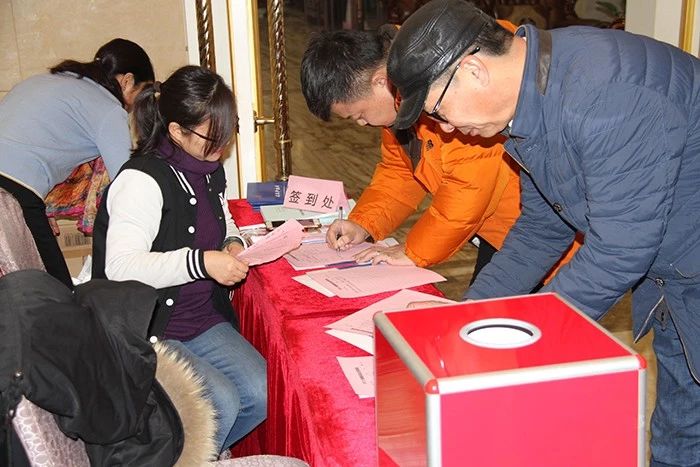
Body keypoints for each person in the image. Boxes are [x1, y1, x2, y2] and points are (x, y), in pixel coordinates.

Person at [387, 1, 700, 465]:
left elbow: (619, 250)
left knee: (684, 432)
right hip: (677, 276)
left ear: (472, 70)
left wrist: (526, 334)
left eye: (438, 111)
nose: (447, 128)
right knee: (681, 431)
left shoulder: (606, 95)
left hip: (685, 265)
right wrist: (469, 320)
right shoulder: (533, 96)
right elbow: (540, 228)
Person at [301, 26, 578, 282]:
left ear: (379, 81)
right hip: (508, 238)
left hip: (555, 244)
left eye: (359, 114)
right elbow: (400, 173)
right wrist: (363, 223)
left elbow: (468, 190)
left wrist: (412, 251)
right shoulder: (400, 96)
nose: (362, 124)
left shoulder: (449, 82)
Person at [91, 65, 267, 456]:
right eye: (213, 136)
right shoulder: (142, 181)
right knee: (219, 402)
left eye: (229, 131)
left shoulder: (207, 169)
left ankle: (200, 454)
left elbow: (221, 216)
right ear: (176, 130)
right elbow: (120, 267)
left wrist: (232, 241)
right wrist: (201, 262)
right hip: (149, 327)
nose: (222, 145)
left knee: (260, 392)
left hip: (200, 316)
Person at [0, 38, 154, 288]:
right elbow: (128, 181)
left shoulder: (40, 81)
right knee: (55, 292)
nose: (136, 105)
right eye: (142, 92)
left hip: (15, 188)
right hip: (12, 193)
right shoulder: (107, 108)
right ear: (127, 81)